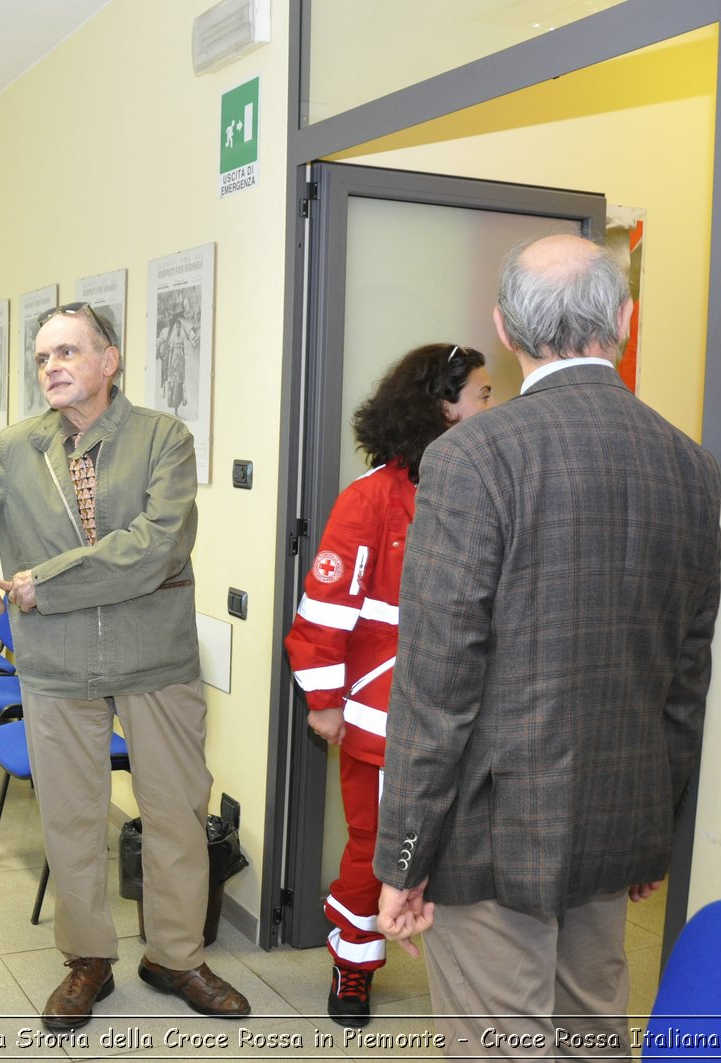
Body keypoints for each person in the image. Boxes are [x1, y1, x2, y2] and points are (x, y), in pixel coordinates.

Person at [373, 233, 721, 1057]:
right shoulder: (691, 465)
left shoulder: (471, 457)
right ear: (626, 320)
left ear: (504, 325)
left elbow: (437, 683)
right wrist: (650, 829)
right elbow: (685, 673)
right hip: (615, 821)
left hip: (492, 837)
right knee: (594, 1032)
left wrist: (405, 856)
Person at [0, 301, 251, 1030]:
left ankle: (177, 954)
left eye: (67, 351)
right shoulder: (13, 448)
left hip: (155, 659)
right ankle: (87, 958)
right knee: (70, 818)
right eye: (41, 357)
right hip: (57, 665)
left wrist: (39, 582)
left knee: (177, 814)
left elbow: (156, 546)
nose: (52, 367)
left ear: (109, 360)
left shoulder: (163, 438)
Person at [283, 342, 493, 1027]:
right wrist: (322, 702)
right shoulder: (370, 498)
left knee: (462, 851)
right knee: (383, 849)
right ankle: (353, 964)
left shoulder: (489, 482)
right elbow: (322, 615)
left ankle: (461, 974)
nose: (492, 405)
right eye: (483, 394)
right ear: (442, 404)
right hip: (384, 720)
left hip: (470, 718)